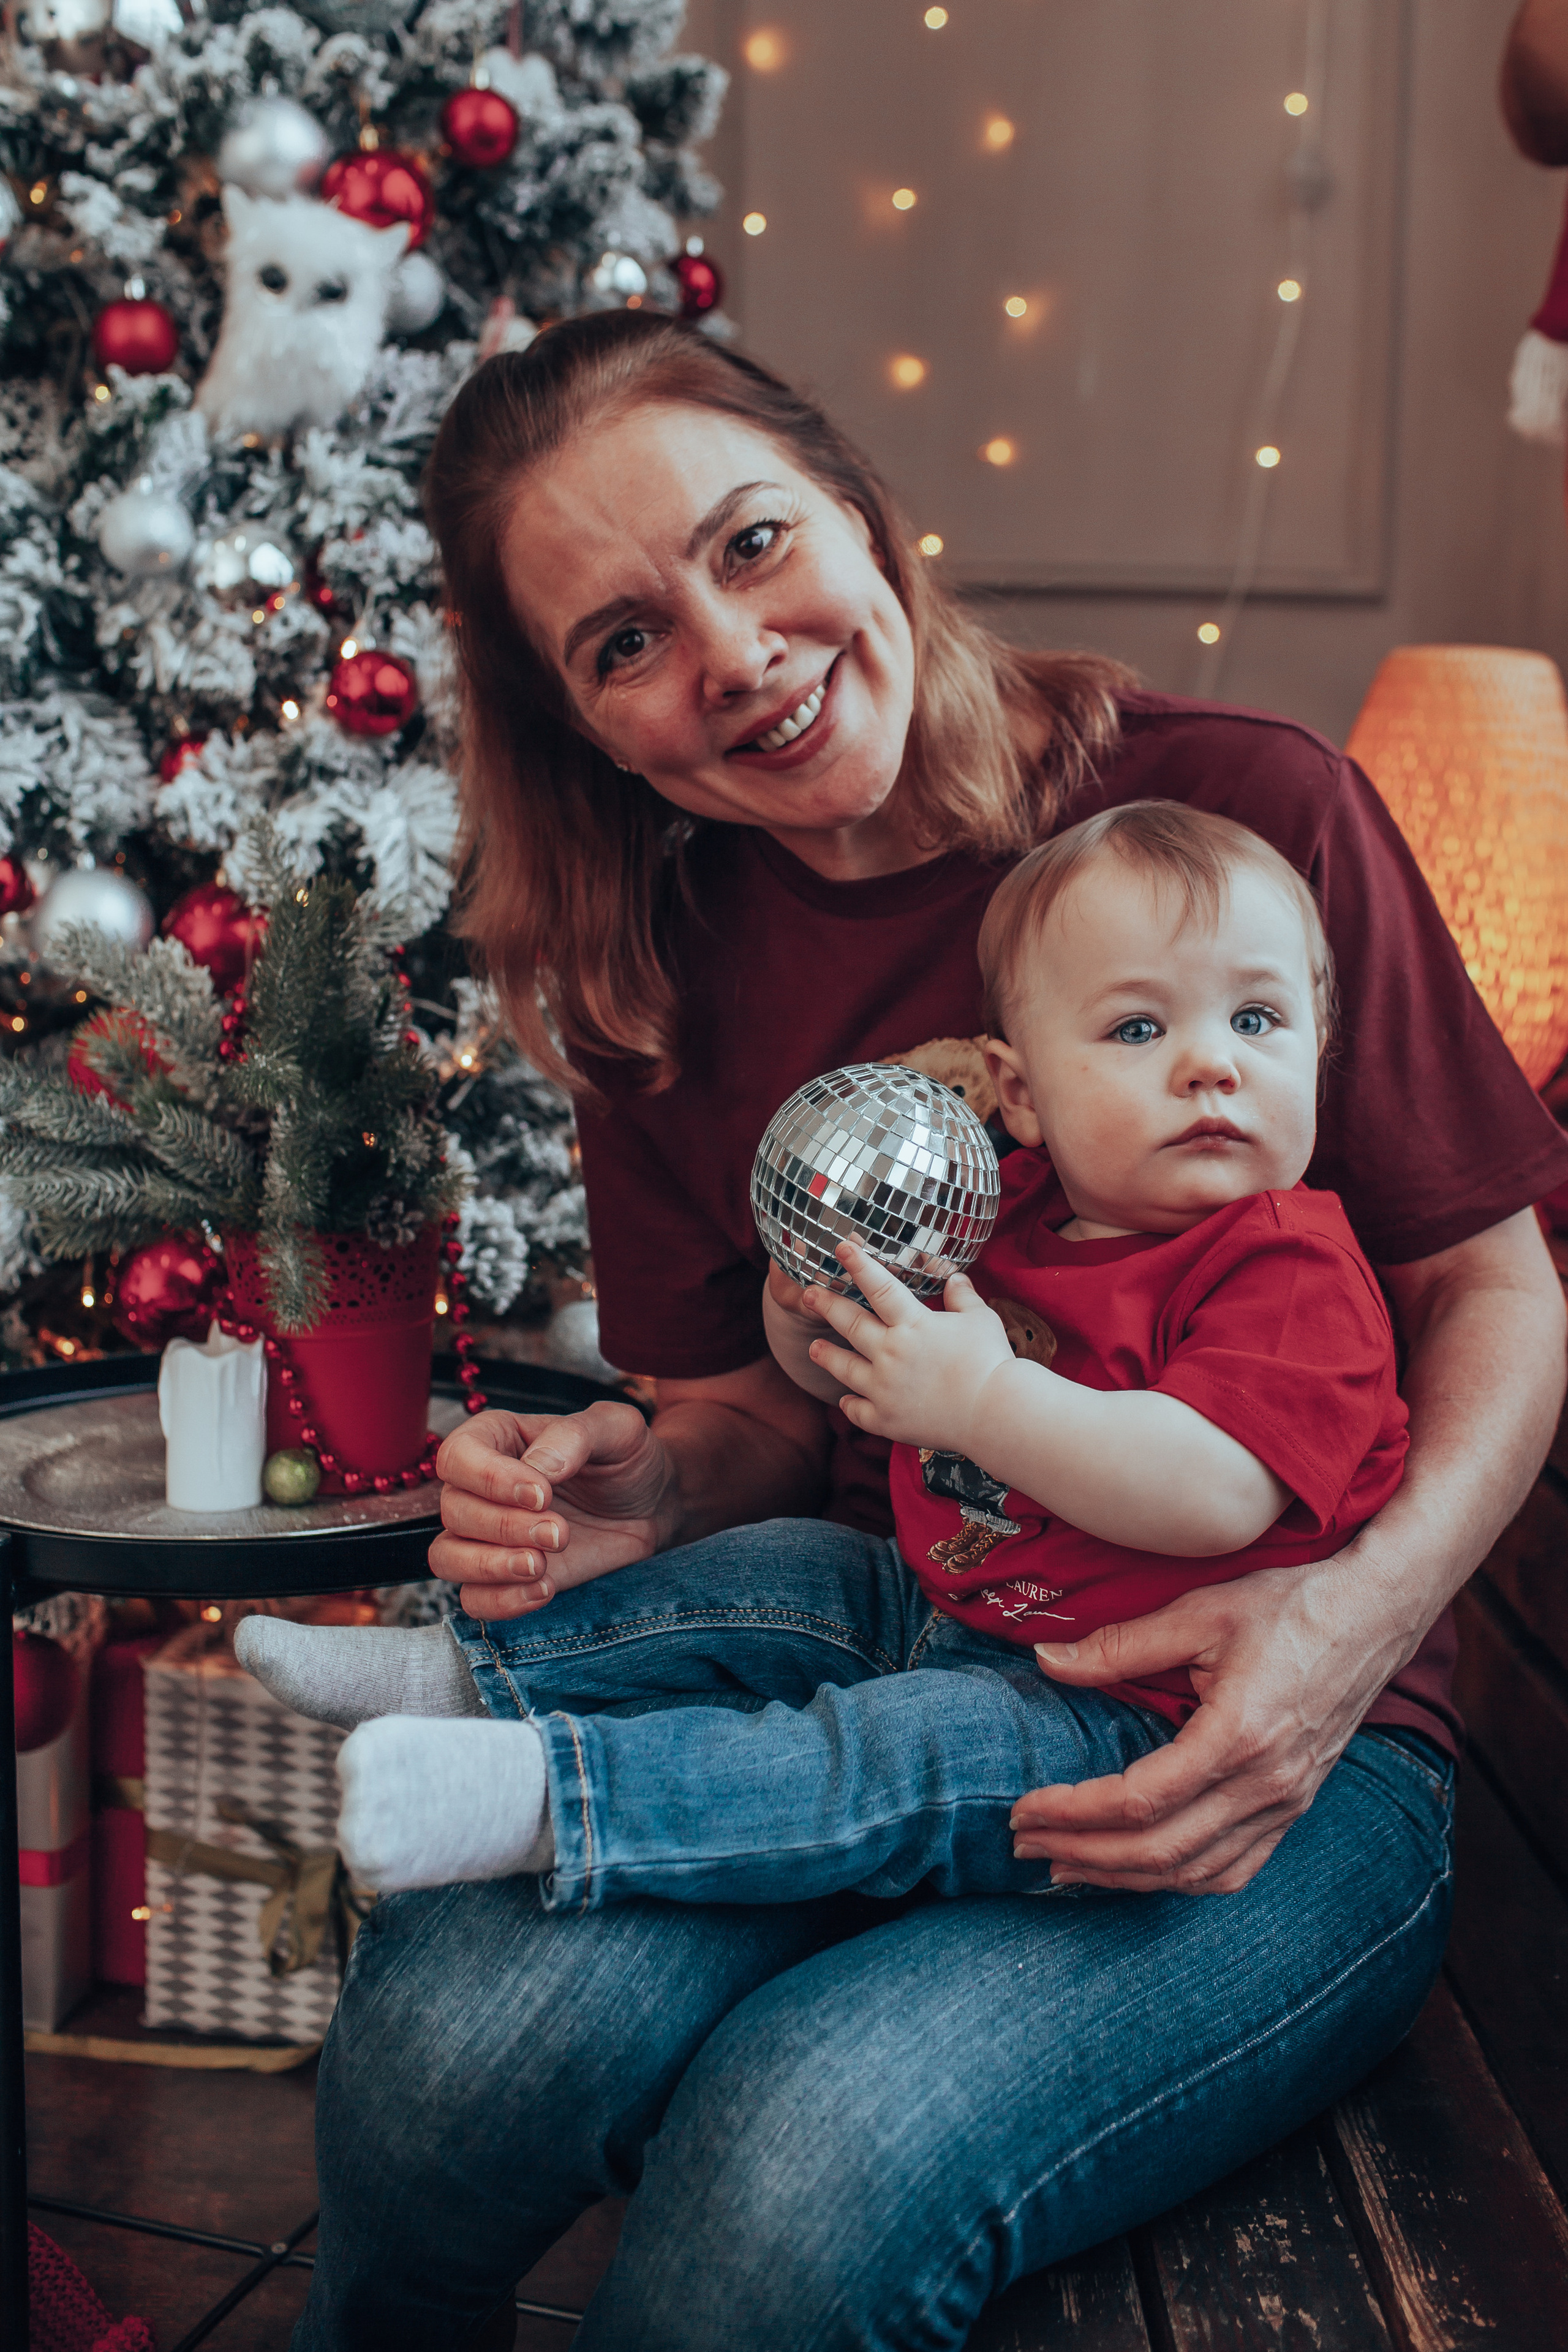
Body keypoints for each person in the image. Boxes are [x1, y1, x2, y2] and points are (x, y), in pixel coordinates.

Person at [289, 312, 1568, 2351]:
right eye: (623, 644)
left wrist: (1352, 1628)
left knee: (793, 2175)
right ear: (583, 728)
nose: (730, 656)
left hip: (1271, 1742)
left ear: (867, 520)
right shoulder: (659, 966)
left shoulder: (1235, 821)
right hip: (901, 1644)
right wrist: (645, 1482)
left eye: (752, 543)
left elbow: (1490, 1284)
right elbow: (747, 1420)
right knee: (448, 2058)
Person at [241, 802, 1411, 1918]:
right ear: (1022, 1093)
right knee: (780, 1567)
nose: (1213, 1066)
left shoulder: (1291, 1270)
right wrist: (809, 1326)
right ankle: (462, 1678)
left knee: (884, 1757)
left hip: (1129, 1712)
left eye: (1257, 1021)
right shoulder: (996, 1206)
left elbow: (1213, 1493)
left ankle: (566, 1801)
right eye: (1139, 1029)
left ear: (1319, 1045)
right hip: (942, 1598)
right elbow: (848, 1386)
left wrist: (989, 1398)